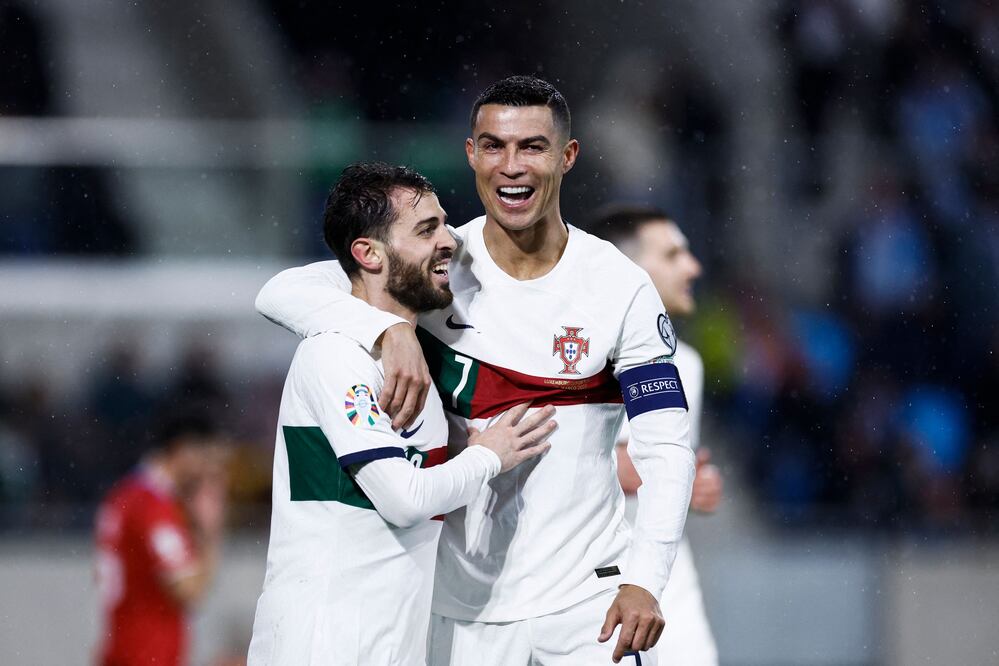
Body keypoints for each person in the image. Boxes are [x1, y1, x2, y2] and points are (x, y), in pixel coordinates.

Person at [255, 76, 695, 665]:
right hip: (459, 615)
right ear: (471, 155)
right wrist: (387, 330)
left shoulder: (619, 287)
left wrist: (646, 577)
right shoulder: (435, 267)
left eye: (532, 147)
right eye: (493, 145)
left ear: (567, 157)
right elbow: (282, 290)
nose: (511, 166)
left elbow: (666, 444)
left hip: (587, 604)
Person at [246, 162, 555, 665]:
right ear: (368, 253)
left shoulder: (418, 355)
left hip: (388, 644)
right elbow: (404, 500)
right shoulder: (335, 355)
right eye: (426, 229)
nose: (448, 242)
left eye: (445, 225)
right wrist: (486, 456)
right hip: (321, 644)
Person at [594, 204, 722, 665]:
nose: (692, 266)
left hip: (667, 573)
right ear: (630, 269)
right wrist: (675, 477)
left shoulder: (685, 361)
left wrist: (691, 485)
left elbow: (652, 473)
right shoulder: (578, 352)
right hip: (593, 575)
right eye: (673, 255)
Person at [94, 405, 229, 666]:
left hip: (123, 647)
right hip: (145, 655)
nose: (210, 475)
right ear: (184, 450)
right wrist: (210, 533)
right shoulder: (153, 508)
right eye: (207, 461)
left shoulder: (125, 495)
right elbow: (189, 590)